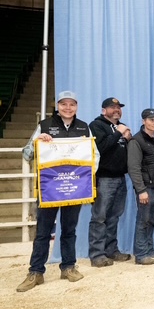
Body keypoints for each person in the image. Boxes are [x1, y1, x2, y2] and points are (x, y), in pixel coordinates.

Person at [16, 91, 98, 292]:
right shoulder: (44, 126)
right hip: (50, 190)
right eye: (64, 104)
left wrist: (84, 178)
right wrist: (37, 142)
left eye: (72, 104)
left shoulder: (84, 127)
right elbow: (27, 153)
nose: (68, 108)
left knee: (69, 230)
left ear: (76, 106)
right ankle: (36, 271)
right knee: (43, 232)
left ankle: (68, 267)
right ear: (57, 106)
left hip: (73, 189)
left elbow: (94, 155)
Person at [88, 97, 132, 268]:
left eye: (118, 107)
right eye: (112, 107)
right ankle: (97, 254)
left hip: (121, 177)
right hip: (104, 178)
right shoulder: (96, 125)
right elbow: (101, 147)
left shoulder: (121, 127)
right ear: (103, 110)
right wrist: (119, 133)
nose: (116, 110)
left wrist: (128, 139)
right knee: (99, 217)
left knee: (114, 217)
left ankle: (111, 250)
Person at [127, 108, 154, 265]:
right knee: (143, 221)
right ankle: (140, 254)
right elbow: (134, 168)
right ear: (143, 121)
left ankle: (149, 251)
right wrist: (141, 190)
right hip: (146, 188)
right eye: (152, 120)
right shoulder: (136, 141)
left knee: (152, 220)